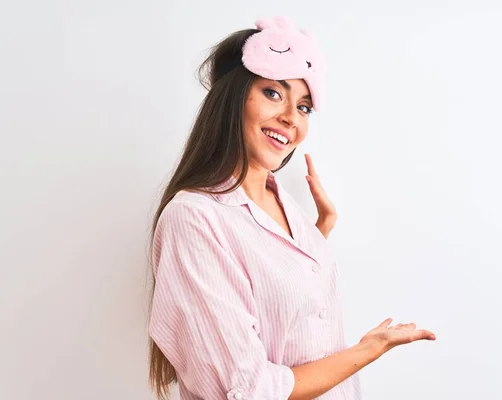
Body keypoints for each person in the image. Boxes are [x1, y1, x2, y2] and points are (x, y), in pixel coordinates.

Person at [146, 16, 436, 400]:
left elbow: (282, 303)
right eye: (273, 93)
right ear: (232, 97)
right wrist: (369, 349)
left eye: (304, 107)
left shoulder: (287, 209)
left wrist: (319, 233)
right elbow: (249, 389)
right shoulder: (195, 218)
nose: (290, 118)